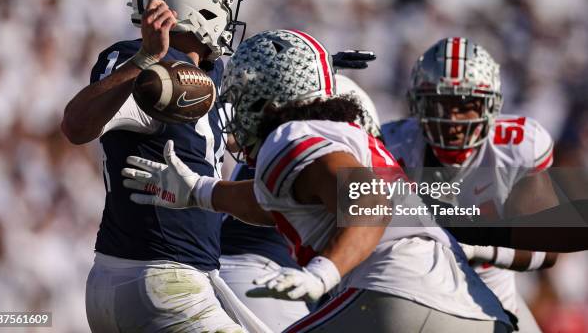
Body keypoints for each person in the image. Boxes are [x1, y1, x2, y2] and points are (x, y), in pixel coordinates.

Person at [122, 29, 513, 332]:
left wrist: (322, 272)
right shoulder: (338, 137)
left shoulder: (289, 136)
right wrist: (199, 192)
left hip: (399, 297)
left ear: (266, 101)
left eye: (241, 100)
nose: (237, 115)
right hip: (478, 311)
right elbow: (274, 204)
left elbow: (371, 203)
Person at [61, 0, 252, 333]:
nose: (230, 15)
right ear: (202, 4)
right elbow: (77, 126)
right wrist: (144, 60)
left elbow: (235, 141)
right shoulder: (143, 66)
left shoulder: (214, 72)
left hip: (161, 279)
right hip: (160, 278)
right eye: (225, 2)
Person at [380, 37, 561, 332]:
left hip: (491, 293)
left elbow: (545, 246)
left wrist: (475, 247)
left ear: (491, 105)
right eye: (439, 104)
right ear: (418, 104)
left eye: (465, 105)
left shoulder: (516, 146)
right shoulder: (392, 144)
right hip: (411, 284)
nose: (451, 119)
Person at [218, 74, 379, 332]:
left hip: (219, 270)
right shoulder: (318, 153)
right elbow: (373, 212)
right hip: (269, 281)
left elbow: (253, 200)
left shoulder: (277, 144)